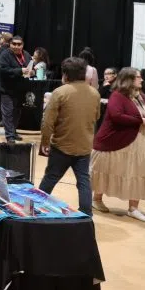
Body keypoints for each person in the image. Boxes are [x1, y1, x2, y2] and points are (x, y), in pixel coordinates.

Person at [38, 57, 101, 216]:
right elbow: (96, 117)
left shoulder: (60, 92)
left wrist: (45, 142)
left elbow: (47, 122)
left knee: (51, 177)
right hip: (84, 146)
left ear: (65, 74)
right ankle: (86, 214)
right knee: (83, 181)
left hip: (61, 145)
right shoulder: (95, 93)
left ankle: (36, 206)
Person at [91, 67, 145, 222]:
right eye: (138, 77)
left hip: (140, 142)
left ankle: (133, 208)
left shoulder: (140, 95)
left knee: (137, 173)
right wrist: (141, 121)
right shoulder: (117, 95)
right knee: (107, 167)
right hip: (118, 141)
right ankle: (96, 200)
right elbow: (116, 115)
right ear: (129, 79)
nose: (141, 79)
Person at [0, 36, 32, 143]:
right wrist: (20, 70)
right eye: (14, 44)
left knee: (17, 112)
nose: (16, 46)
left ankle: (13, 131)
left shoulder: (26, 54)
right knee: (7, 113)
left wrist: (32, 71)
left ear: (23, 45)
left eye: (19, 44)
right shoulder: (4, 55)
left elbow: (30, 67)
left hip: (21, 89)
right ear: (10, 44)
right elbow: (3, 70)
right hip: (7, 89)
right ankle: (9, 135)